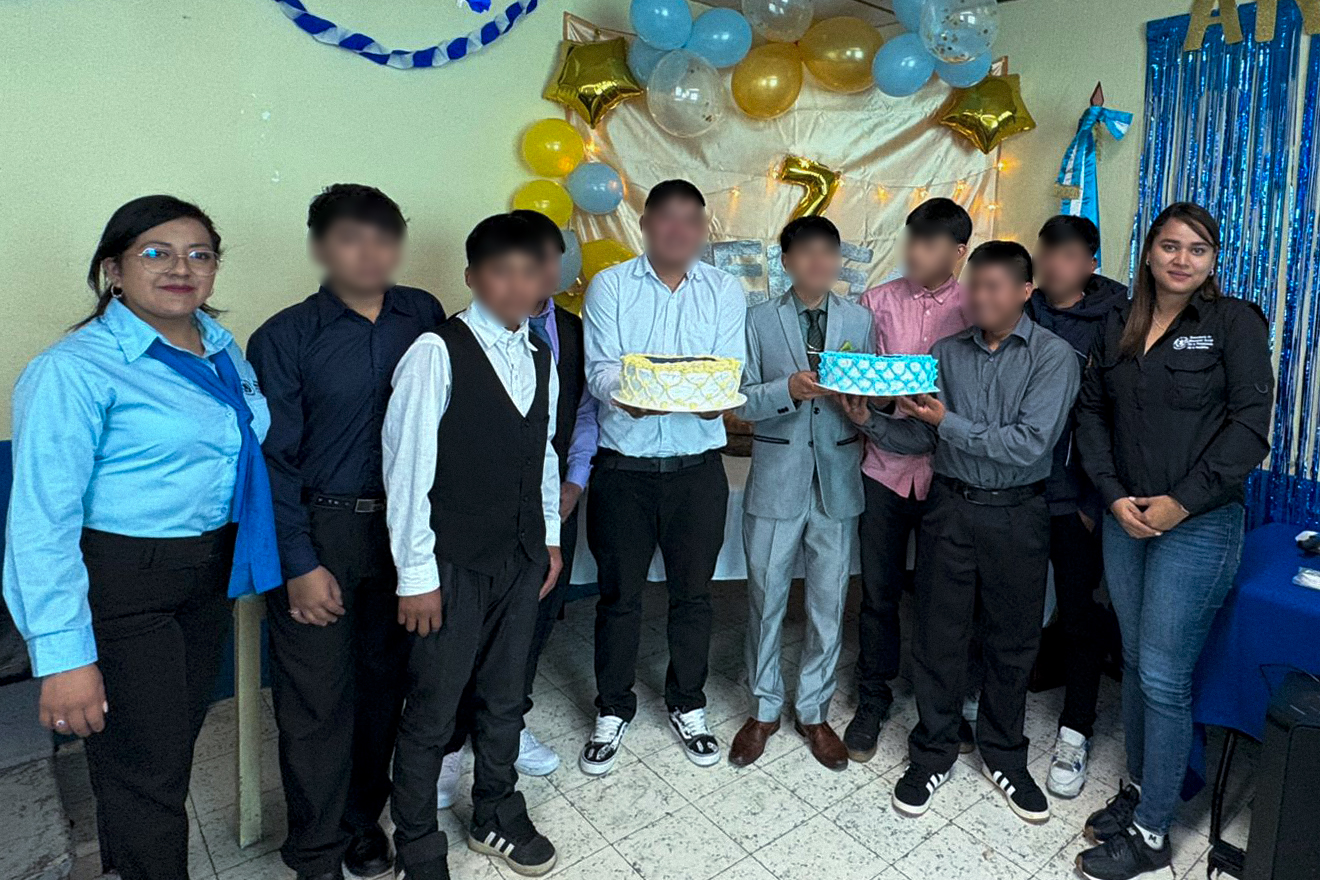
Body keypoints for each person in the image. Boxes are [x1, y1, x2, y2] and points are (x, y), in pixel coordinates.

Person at [3, 195, 279, 880]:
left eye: (199, 254)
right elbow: (41, 521)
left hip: (207, 571)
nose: (181, 268)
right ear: (113, 270)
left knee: (162, 750)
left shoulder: (221, 350)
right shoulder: (74, 369)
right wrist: (63, 656)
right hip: (124, 581)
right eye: (156, 252)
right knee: (145, 769)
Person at [841, 241, 1079, 824]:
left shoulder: (1053, 357)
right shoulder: (945, 353)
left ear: (1025, 291)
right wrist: (871, 422)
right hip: (950, 508)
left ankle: (1005, 755)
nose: (980, 296)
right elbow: (924, 437)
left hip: (1018, 514)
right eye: (974, 285)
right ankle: (932, 752)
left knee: (1012, 641)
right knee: (938, 636)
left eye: (995, 285)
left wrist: (950, 423)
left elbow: (1029, 444)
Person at [248, 184, 446, 880]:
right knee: (315, 704)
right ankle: (316, 850)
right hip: (319, 530)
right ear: (321, 246)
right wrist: (298, 562)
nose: (370, 252)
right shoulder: (283, 337)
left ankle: (364, 822)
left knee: (382, 689)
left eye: (384, 237)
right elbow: (271, 461)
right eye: (350, 237)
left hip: (401, 532)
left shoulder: (423, 315)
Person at [1072, 203, 1273, 880]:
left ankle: (1153, 832)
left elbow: (1250, 427)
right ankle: (1142, 790)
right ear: (1149, 251)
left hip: (1200, 523)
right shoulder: (1119, 321)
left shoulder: (1233, 323)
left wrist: (1180, 503)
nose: (1182, 259)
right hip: (1126, 517)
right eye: (1170, 246)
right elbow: (1092, 412)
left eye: (1198, 249)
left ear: (1213, 260)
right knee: (1135, 662)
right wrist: (1111, 494)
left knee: (1163, 674)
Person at [382, 213, 562, 880]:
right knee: (433, 708)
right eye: (499, 272)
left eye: (530, 272)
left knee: (506, 696)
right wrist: (415, 576)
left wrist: (549, 537)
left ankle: (495, 811)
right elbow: (406, 470)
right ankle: (417, 843)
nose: (516, 286)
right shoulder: (437, 351)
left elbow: (543, 454)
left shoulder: (540, 354)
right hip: (452, 562)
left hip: (520, 557)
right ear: (471, 277)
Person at [579, 179, 747, 774]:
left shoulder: (724, 290)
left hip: (697, 471)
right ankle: (612, 708)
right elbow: (601, 369)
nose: (678, 230)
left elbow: (727, 369)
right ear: (645, 223)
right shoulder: (610, 285)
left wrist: (711, 399)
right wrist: (628, 395)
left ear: (702, 229)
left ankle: (687, 702)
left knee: (693, 595)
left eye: (690, 220)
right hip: (622, 470)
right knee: (618, 597)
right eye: (666, 218)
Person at [433, 209, 599, 805]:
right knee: (463, 635)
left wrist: (573, 482)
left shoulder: (573, 332)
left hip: (551, 506)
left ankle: (507, 723)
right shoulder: (451, 341)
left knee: (529, 625)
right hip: (476, 515)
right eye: (520, 262)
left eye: (545, 259)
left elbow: (583, 411)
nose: (534, 273)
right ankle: (448, 745)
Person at [729, 216, 873, 770]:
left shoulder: (859, 320)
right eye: (806, 252)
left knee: (828, 604)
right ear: (785, 261)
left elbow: (870, 391)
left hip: (837, 479)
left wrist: (861, 407)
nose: (818, 262)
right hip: (776, 478)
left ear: (838, 261)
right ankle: (763, 708)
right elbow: (739, 398)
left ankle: (814, 711)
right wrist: (785, 389)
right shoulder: (758, 319)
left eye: (828, 253)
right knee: (765, 598)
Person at [843, 197, 971, 763]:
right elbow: (858, 377)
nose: (917, 252)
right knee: (879, 593)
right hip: (884, 469)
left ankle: (940, 706)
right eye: (912, 240)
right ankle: (873, 697)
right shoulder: (876, 302)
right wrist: (868, 399)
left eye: (931, 243)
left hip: (949, 476)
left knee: (945, 600)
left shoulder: (976, 304)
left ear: (958, 252)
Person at [1026, 214, 1128, 800]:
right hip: (1018, 487)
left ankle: (1076, 730)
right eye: (1047, 252)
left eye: (1067, 255)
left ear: (1090, 263)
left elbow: (1117, 416)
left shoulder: (1119, 318)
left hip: (1077, 497)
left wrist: (1094, 499)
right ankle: (989, 699)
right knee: (1006, 600)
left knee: (1079, 614)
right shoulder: (1023, 305)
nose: (1053, 264)